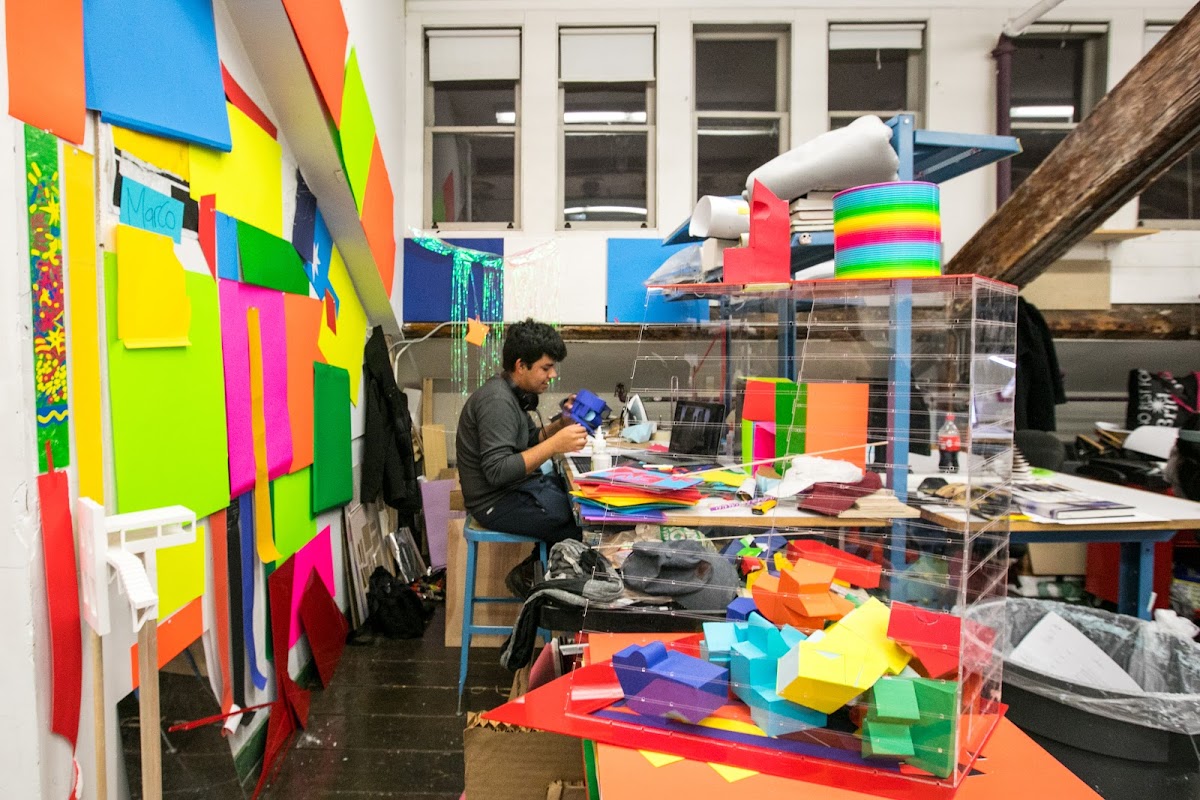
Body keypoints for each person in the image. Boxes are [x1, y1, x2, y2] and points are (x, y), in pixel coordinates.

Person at [456, 319, 588, 545]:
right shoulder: (497, 401)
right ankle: (535, 574)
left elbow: (529, 439)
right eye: (545, 368)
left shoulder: (512, 393)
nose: (553, 374)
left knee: (571, 497)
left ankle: (532, 571)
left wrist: (561, 424)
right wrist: (555, 444)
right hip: (492, 502)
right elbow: (498, 471)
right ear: (520, 366)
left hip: (511, 489)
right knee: (576, 522)